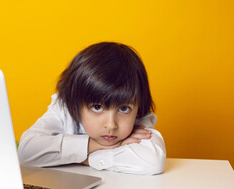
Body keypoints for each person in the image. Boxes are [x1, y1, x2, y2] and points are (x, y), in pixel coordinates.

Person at [18, 42, 166, 175]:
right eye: (97, 107)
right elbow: (26, 153)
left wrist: (84, 159)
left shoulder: (138, 117)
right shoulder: (65, 107)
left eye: (124, 109)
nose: (111, 125)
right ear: (74, 102)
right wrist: (93, 145)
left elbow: (152, 162)